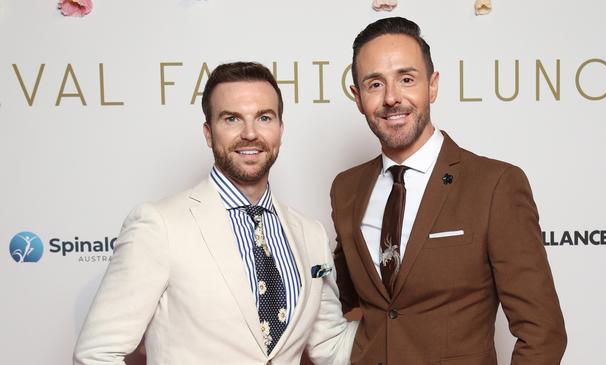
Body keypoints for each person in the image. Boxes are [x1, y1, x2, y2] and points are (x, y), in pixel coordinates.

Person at [74, 62, 357, 365]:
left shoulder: (310, 234)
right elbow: (96, 354)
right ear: (209, 133)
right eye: (232, 118)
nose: (250, 133)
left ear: (280, 130)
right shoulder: (159, 226)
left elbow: (331, 346)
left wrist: (409, 320)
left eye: (264, 117)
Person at [331, 17, 567, 364]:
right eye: (375, 84)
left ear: (433, 86)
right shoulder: (347, 189)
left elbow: (542, 332)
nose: (392, 98)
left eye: (406, 79)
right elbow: (334, 297)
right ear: (358, 97)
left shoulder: (495, 185)